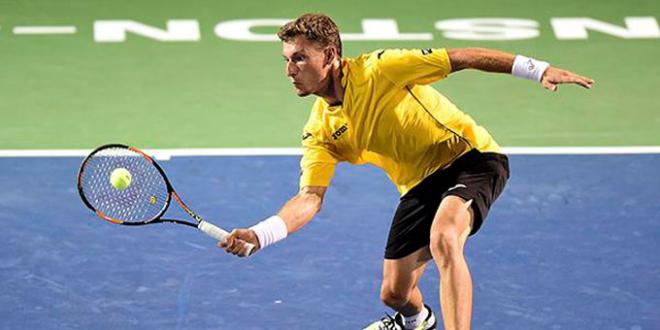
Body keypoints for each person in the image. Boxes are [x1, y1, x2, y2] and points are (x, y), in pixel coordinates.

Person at [220, 13, 594, 330]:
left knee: (445, 235)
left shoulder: (380, 69)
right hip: (418, 186)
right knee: (394, 294)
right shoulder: (319, 129)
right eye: (287, 59)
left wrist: (537, 69)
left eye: (299, 58)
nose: (289, 71)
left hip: (471, 158)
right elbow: (309, 198)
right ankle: (418, 323)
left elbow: (461, 57)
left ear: (330, 55)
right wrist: (259, 234)